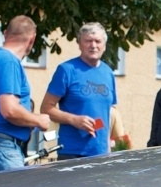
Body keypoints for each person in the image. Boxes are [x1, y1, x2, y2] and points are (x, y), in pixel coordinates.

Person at [0, 15, 51, 174]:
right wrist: (38, 119)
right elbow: (10, 110)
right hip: (1, 145)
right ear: (32, 39)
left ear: (6, 33)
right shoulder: (8, 62)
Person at [40, 22, 117, 160]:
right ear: (80, 44)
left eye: (97, 41)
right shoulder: (66, 70)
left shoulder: (108, 73)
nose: (93, 45)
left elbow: (107, 113)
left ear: (104, 46)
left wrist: (108, 149)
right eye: (88, 41)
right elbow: (46, 108)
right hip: (72, 152)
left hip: (101, 153)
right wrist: (74, 120)